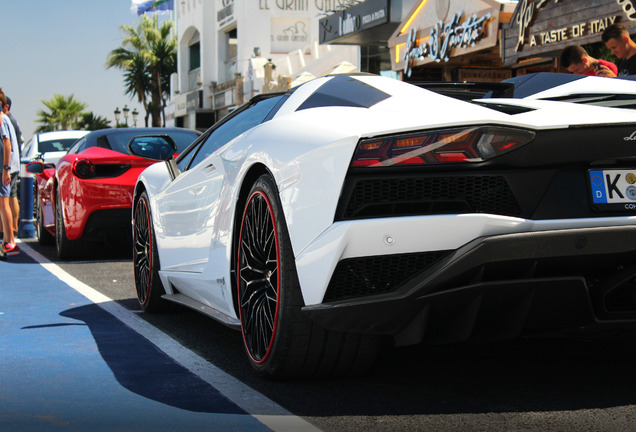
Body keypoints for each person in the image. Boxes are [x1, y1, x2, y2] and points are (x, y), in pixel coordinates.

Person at [0, 88, 19, 258]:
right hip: (6, 167)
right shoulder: (5, 119)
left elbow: (7, 145)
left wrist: (5, 170)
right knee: (3, 203)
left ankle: (10, 241)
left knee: (3, 203)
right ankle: (7, 240)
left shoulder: (2, 119)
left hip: (5, 168)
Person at [3, 97, 21, 237]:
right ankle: (10, 230)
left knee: (9, 197)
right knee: (9, 197)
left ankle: (11, 230)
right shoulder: (9, 119)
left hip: (8, 165)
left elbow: (8, 144)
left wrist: (6, 168)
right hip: (10, 164)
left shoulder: (5, 119)